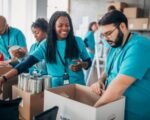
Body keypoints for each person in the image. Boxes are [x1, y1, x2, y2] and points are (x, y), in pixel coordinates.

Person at [0, 11, 91, 88]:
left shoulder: (78, 41)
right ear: (53, 27)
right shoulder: (46, 45)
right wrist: (4, 78)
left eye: (67, 25)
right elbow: (25, 64)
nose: (65, 28)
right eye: (60, 25)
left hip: (77, 85)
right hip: (56, 88)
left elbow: (88, 62)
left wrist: (82, 64)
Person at [90, 10, 150, 120]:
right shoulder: (115, 45)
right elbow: (108, 70)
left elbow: (118, 87)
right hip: (115, 109)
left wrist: (92, 112)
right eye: (103, 35)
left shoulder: (139, 47)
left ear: (122, 26)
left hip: (135, 113)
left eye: (108, 33)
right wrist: (100, 81)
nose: (106, 39)